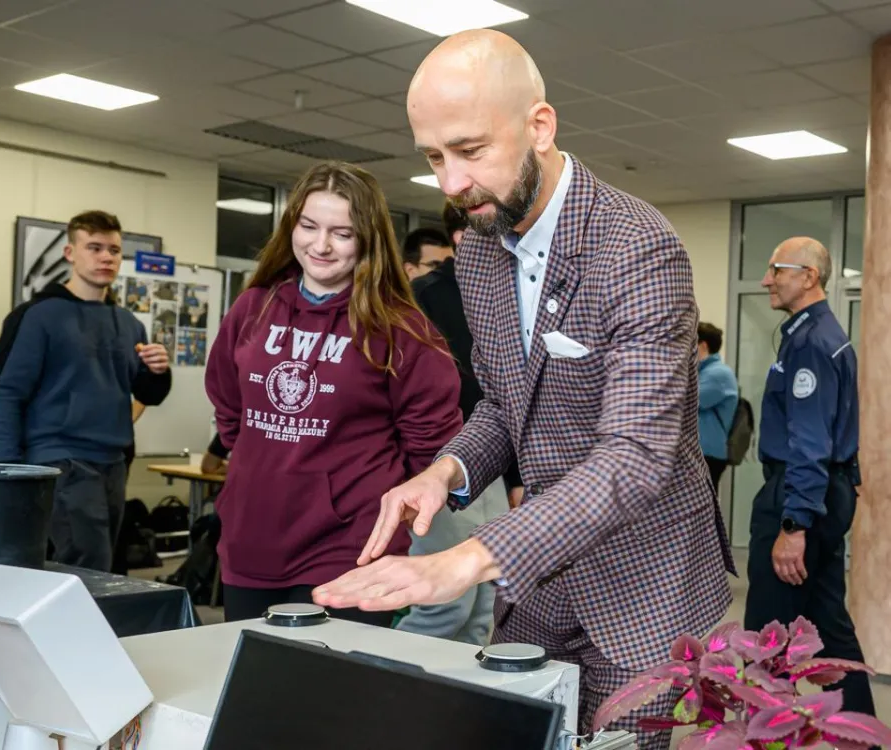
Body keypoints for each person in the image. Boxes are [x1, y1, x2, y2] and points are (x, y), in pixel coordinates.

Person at [312, 30, 733, 749]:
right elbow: (510, 404)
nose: (450, 184)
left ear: (540, 126)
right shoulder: (478, 252)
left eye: (471, 151)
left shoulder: (638, 249)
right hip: (540, 577)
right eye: (434, 158)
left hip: (643, 582)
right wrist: (445, 473)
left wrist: (469, 558)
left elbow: (635, 454)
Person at [205, 161, 462, 627]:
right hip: (251, 540)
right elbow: (228, 405)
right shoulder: (254, 306)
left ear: (368, 239)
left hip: (348, 549)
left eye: (341, 233)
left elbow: (432, 445)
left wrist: (362, 501)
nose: (320, 245)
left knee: (328, 694)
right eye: (308, 226)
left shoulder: (400, 328)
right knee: (252, 686)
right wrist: (258, 469)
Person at [0, 210, 172, 573]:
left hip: (112, 462)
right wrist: (8, 473)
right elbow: (6, 396)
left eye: (114, 250)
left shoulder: (128, 323)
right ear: (70, 253)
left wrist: (159, 371)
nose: (106, 257)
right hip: (60, 459)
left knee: (106, 566)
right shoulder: (38, 315)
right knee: (88, 562)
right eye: (94, 247)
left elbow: (148, 392)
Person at [744, 237, 874, 716]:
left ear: (808, 276)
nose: (765, 280)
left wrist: (794, 525)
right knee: (828, 625)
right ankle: (859, 737)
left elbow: (811, 440)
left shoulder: (811, 343)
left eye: (776, 269)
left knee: (768, 636)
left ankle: (763, 736)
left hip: (798, 495)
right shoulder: (818, 334)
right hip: (821, 491)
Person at [396, 228, 519, 645]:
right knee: (446, 606)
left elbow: (505, 397)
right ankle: (391, 693)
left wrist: (516, 476)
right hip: (438, 461)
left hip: (489, 464)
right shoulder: (421, 296)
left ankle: (457, 699)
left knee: (486, 605)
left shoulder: (504, 292)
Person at [697, 322, 739, 490]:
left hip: (707, 453)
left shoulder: (718, 374)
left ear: (703, 346)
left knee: (699, 508)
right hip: (702, 452)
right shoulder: (704, 372)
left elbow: (685, 401)